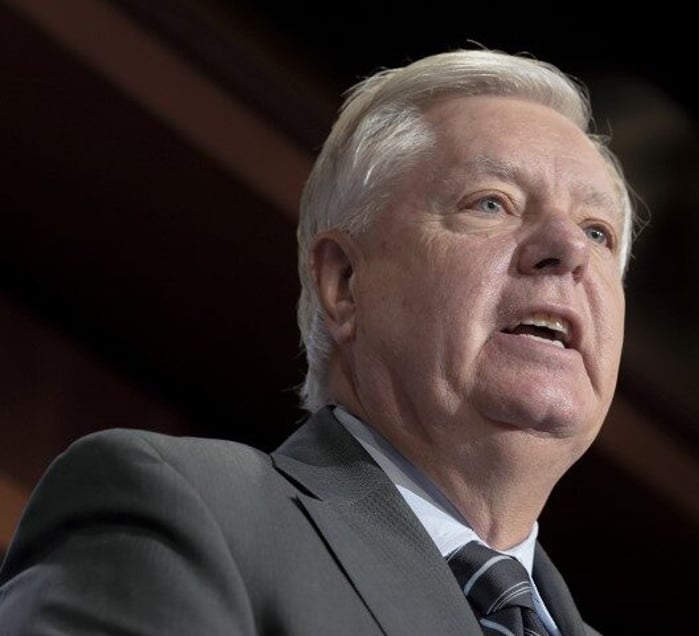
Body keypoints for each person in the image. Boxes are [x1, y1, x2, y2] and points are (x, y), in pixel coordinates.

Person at [0, 47, 635, 635]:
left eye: (599, 232)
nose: (570, 249)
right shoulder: (190, 512)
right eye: (491, 203)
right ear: (344, 283)